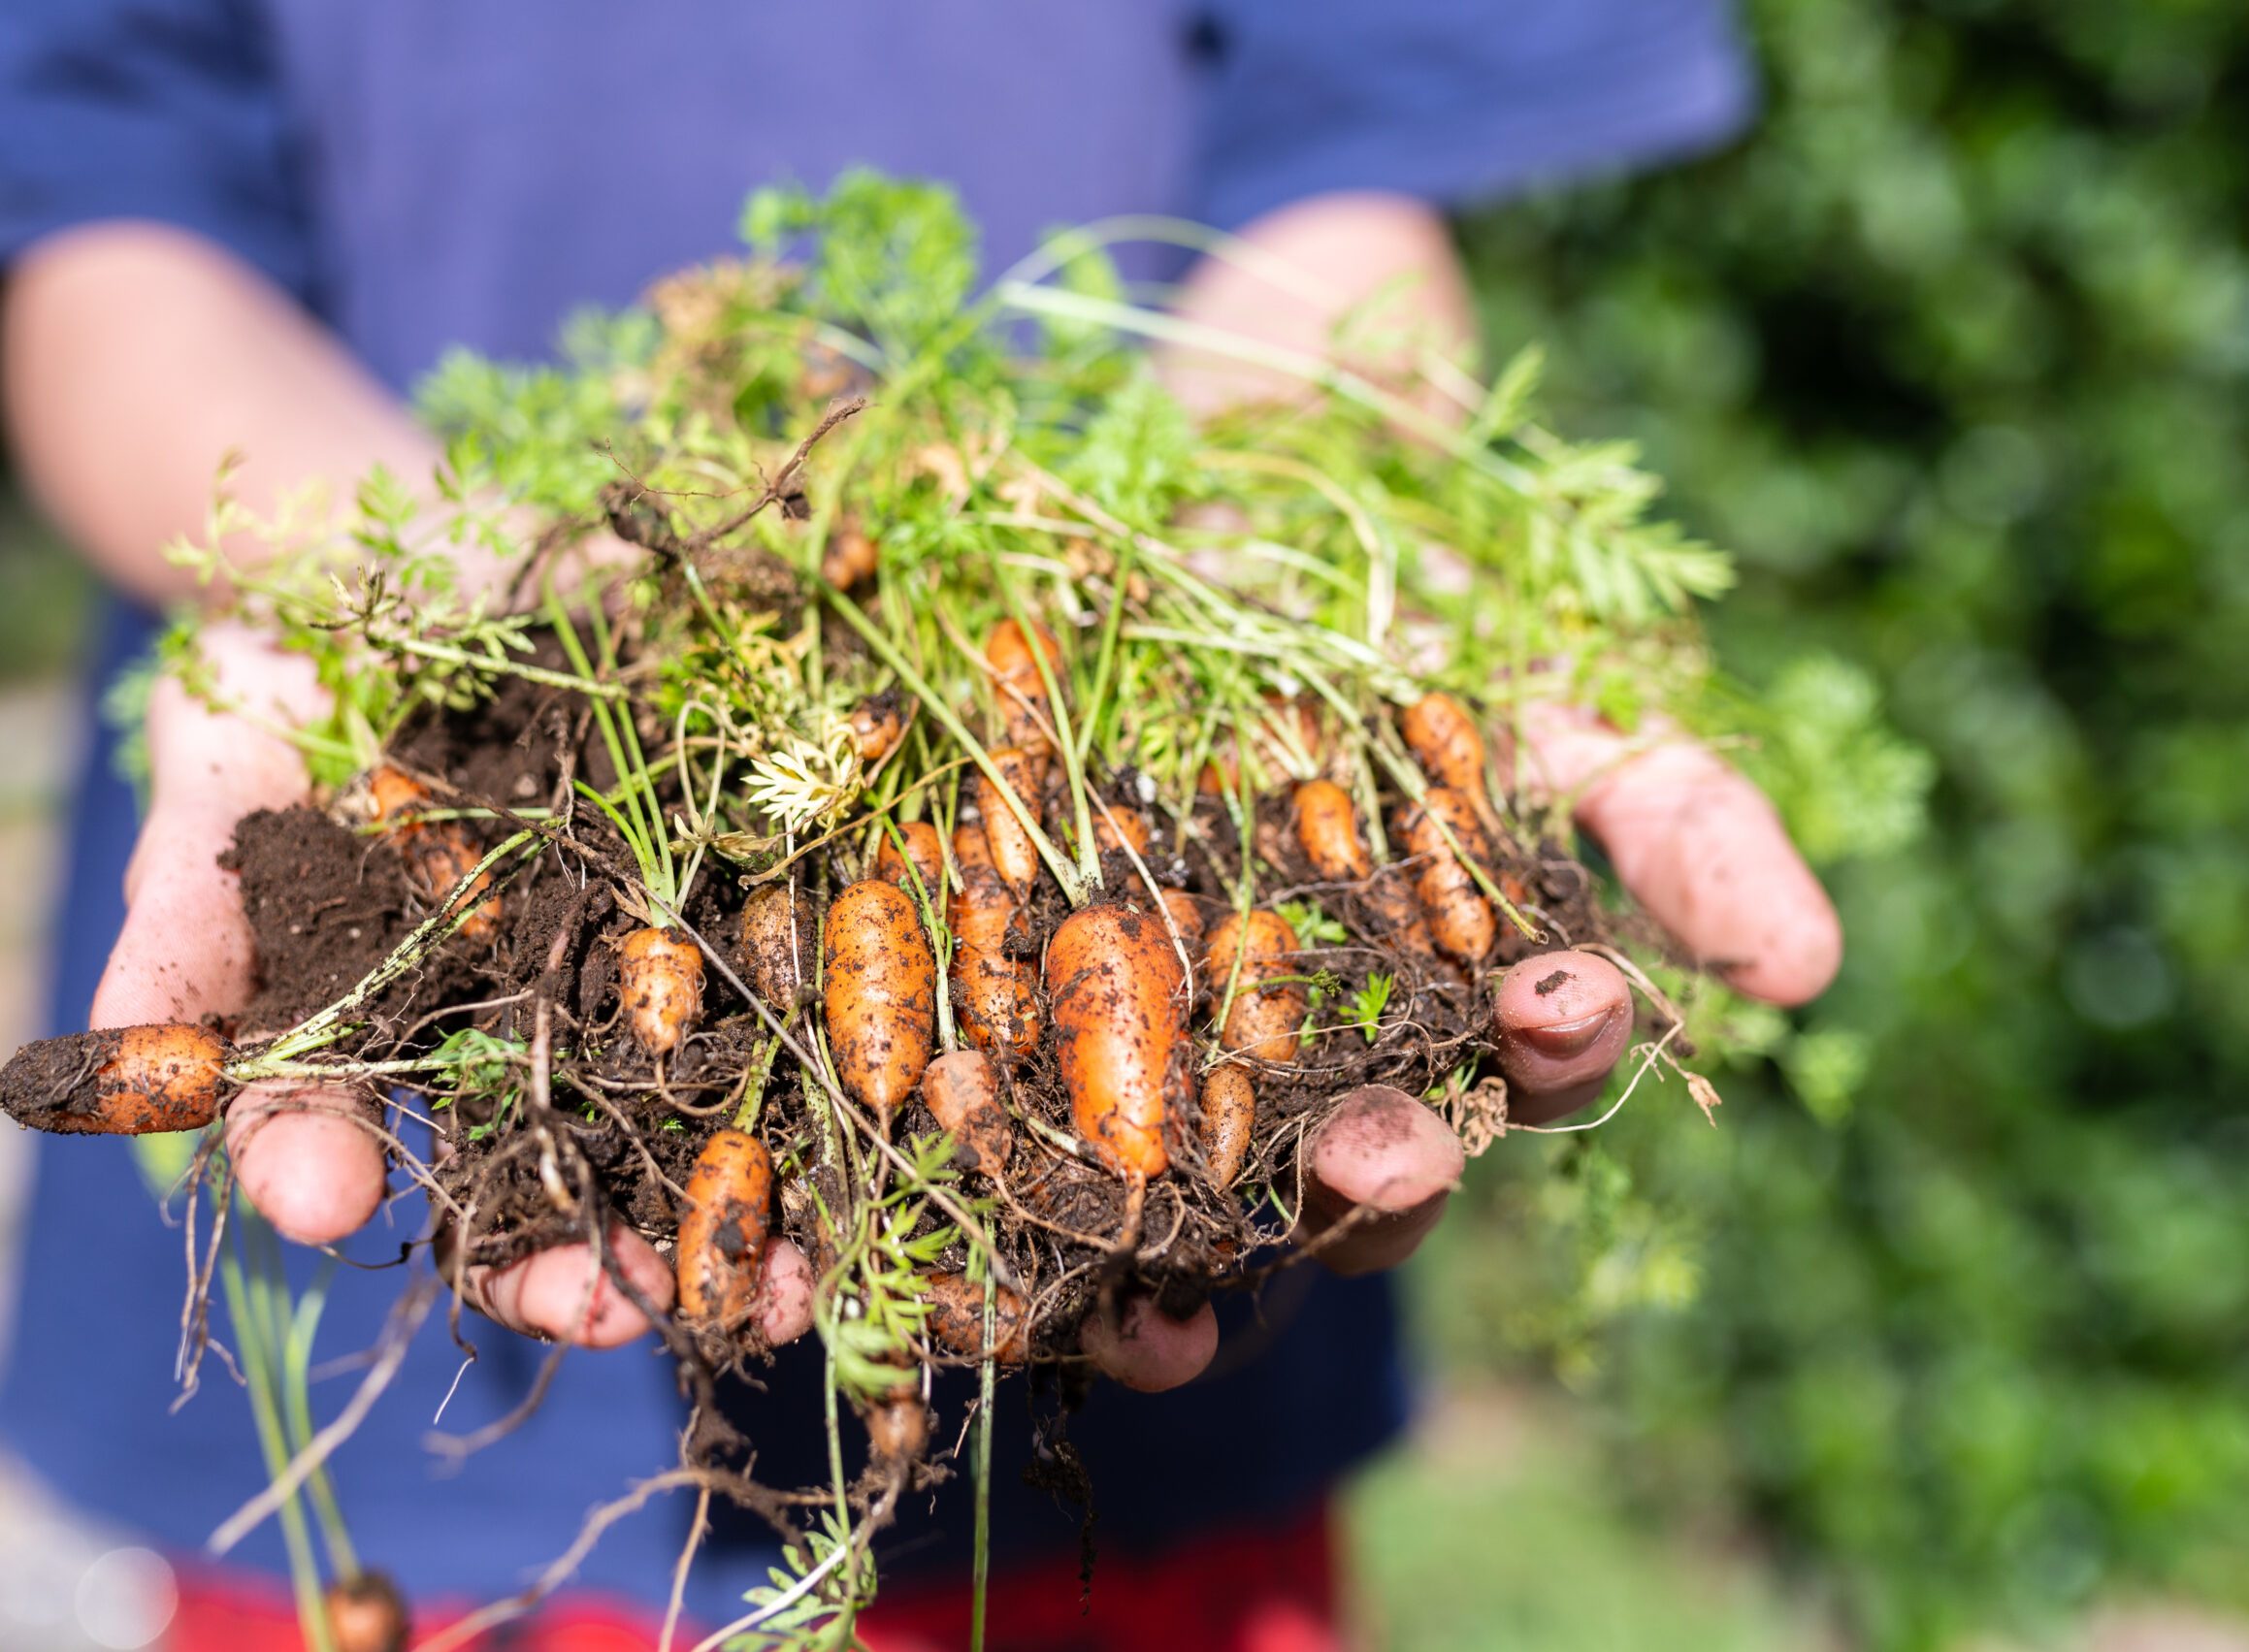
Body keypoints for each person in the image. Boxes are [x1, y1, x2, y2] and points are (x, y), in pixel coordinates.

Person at [0, 3, 1838, 1646]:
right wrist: (417, 594)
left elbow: (1338, 164)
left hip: (1165, 1455)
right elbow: (105, 223)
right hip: (419, 1493)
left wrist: (1289, 477)